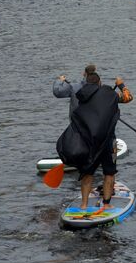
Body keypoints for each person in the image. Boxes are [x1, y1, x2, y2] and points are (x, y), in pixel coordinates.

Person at [54, 66, 131, 210]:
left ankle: (83, 205)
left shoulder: (79, 95)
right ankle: (106, 204)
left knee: (87, 174)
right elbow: (128, 98)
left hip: (87, 143)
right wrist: (121, 85)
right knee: (109, 172)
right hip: (108, 141)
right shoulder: (109, 95)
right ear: (99, 83)